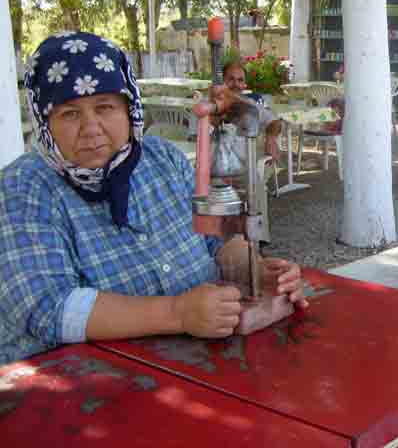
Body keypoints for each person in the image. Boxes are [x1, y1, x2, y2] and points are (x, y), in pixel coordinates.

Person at [0, 32, 307, 366]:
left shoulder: (164, 159)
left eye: (105, 107)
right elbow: (47, 308)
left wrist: (257, 271)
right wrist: (178, 313)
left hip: (195, 364)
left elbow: (216, 242)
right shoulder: (24, 187)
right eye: (70, 114)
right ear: (45, 121)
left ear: (129, 108)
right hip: (82, 387)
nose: (91, 128)